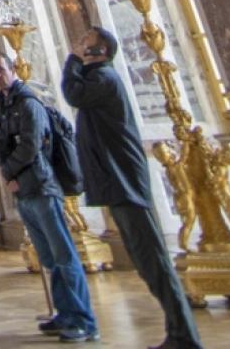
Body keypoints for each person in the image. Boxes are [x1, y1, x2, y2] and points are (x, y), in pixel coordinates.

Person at [62, 27, 203, 349]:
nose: (78, 46)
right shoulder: (100, 78)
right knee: (146, 259)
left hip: (125, 182)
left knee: (152, 259)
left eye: (83, 43)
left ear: (98, 51)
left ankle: (185, 336)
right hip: (118, 181)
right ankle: (180, 333)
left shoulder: (103, 79)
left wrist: (72, 61)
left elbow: (73, 94)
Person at [0, 48, 98, 343]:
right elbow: (2, 143)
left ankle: (84, 320)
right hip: (23, 189)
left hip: (42, 186)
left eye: (1, 69)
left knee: (63, 255)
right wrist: (9, 174)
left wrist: (10, 172)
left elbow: (32, 145)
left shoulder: (29, 104)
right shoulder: (4, 106)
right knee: (49, 257)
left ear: (13, 69)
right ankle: (65, 313)